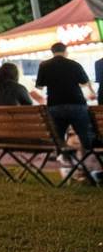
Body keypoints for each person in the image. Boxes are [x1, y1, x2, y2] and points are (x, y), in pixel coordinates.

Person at [36, 43, 97, 180]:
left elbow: (39, 86)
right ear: (65, 51)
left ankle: (67, 163)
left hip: (55, 105)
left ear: (52, 52)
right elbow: (84, 82)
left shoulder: (44, 65)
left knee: (59, 136)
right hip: (76, 103)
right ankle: (85, 163)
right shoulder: (74, 64)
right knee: (83, 134)